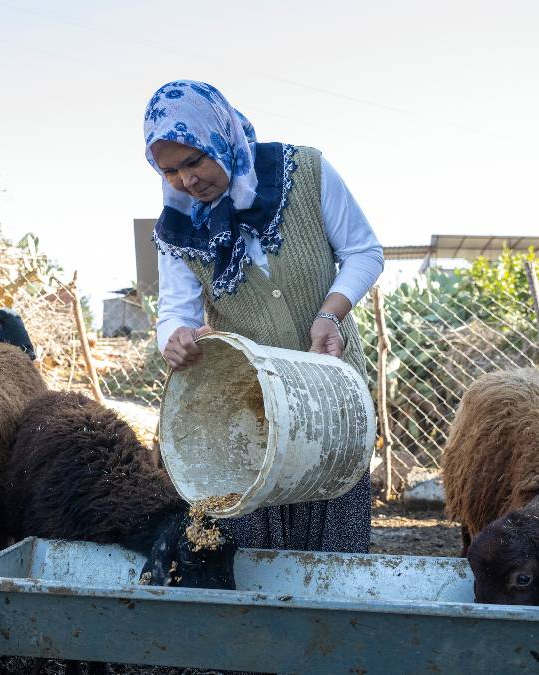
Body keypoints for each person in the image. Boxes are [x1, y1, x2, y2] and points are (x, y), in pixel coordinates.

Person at [144, 80, 384, 554]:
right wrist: (175, 337)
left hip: (333, 398)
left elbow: (364, 252)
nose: (187, 181)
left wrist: (330, 314)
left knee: (334, 557)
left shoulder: (304, 172)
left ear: (221, 137)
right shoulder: (177, 228)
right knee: (257, 559)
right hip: (252, 413)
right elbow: (175, 311)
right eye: (170, 171)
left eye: (194, 160)